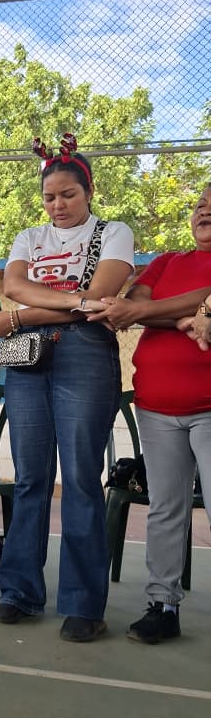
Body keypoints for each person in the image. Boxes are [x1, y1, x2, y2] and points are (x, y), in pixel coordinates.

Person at [0, 135, 134, 642]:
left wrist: (21, 316)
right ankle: (19, 591)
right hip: (28, 356)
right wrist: (72, 301)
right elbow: (14, 286)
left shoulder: (113, 233)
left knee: (82, 477)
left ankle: (84, 604)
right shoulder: (29, 237)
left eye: (68, 194)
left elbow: (101, 295)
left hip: (84, 354)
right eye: (49, 197)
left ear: (88, 191)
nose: (58, 205)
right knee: (30, 476)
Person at [86, 184, 211, 644]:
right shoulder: (167, 262)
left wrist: (160, 309)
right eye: (200, 204)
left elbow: (146, 308)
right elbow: (132, 309)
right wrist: (187, 316)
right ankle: (163, 605)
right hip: (157, 408)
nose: (205, 211)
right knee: (165, 509)